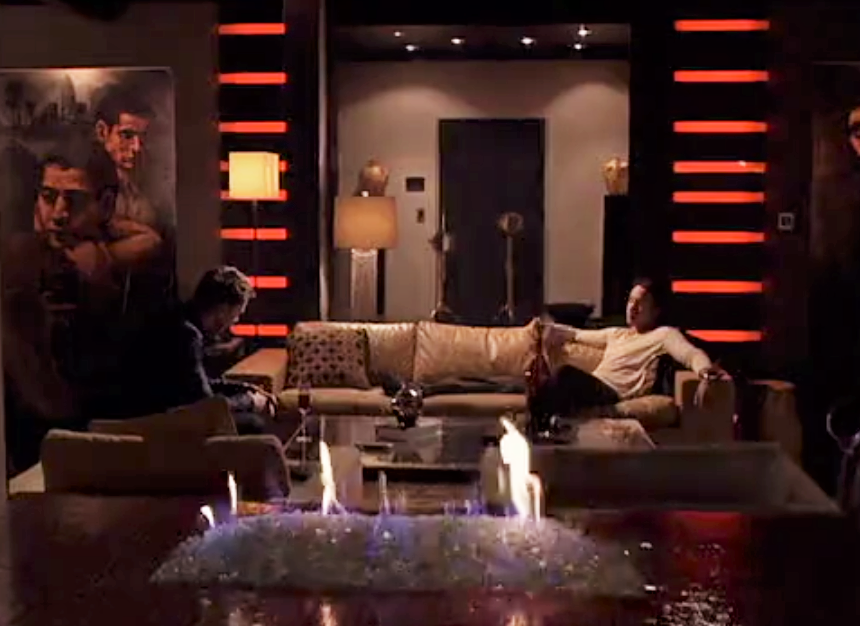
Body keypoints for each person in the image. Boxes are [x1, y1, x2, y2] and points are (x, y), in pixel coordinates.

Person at [115, 266, 277, 434]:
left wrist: (243, 388)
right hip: (153, 419)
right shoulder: (187, 336)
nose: (235, 321)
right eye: (237, 314)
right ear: (223, 308)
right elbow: (206, 406)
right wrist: (249, 401)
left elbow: (197, 383)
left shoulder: (175, 319)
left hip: (145, 408)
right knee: (253, 423)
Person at [540, 277, 724, 416]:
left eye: (640, 303)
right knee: (538, 381)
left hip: (613, 392)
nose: (632, 308)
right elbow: (575, 334)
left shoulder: (663, 335)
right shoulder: (616, 334)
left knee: (565, 375)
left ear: (656, 311)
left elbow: (691, 354)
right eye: (630, 301)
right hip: (595, 387)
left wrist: (706, 375)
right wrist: (542, 328)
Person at [92, 84, 157, 227]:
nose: (136, 147)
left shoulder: (129, 182)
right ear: (102, 132)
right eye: (127, 135)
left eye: (142, 137)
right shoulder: (90, 183)